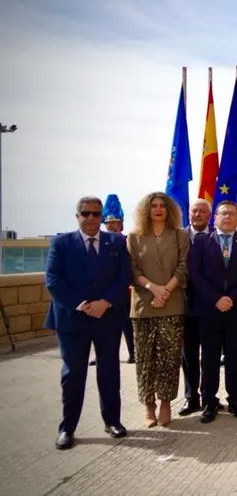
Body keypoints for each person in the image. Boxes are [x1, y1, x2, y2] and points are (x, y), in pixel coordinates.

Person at [45, 196, 131, 450]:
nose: (91, 218)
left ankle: (112, 421)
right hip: (73, 319)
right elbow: (53, 280)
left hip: (107, 317)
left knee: (109, 371)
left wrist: (105, 302)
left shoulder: (117, 242)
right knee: (73, 375)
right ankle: (68, 428)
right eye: (86, 213)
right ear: (77, 216)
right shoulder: (61, 243)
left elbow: (123, 275)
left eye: (96, 214)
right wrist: (82, 304)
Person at [188, 201, 237, 422]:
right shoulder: (201, 242)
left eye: (232, 214)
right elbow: (195, 274)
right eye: (223, 213)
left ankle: (235, 400)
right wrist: (216, 299)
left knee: (235, 358)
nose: (228, 217)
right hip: (209, 310)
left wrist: (232, 298)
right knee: (209, 358)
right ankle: (209, 402)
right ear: (215, 217)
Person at [127, 192, 190, 427]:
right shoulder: (134, 237)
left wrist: (166, 290)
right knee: (145, 359)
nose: (159, 209)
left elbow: (184, 266)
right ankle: (149, 406)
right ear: (147, 210)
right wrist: (154, 288)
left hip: (172, 303)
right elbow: (132, 269)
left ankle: (165, 403)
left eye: (163, 206)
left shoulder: (180, 235)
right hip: (144, 305)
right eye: (154, 206)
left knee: (169, 358)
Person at [90, 194, 134, 366]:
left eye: (115, 223)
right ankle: (98, 355)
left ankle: (133, 352)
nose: (112, 226)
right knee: (97, 324)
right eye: (109, 223)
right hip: (100, 291)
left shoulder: (126, 241)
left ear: (120, 224)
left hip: (122, 290)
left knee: (127, 323)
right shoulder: (98, 241)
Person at [179, 199, 212, 417]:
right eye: (194, 211)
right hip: (184, 304)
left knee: (210, 354)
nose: (198, 214)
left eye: (202, 211)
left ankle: (210, 396)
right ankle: (191, 398)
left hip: (211, 305)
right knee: (188, 354)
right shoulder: (178, 237)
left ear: (210, 215)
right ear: (189, 213)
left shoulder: (219, 237)